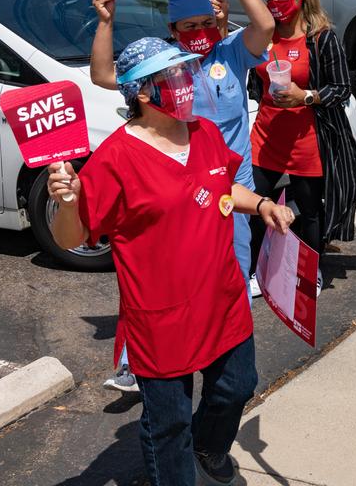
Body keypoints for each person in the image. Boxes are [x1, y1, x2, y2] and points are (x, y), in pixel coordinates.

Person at [48, 37, 296, 486]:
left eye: (186, 72)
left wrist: (261, 205)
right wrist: (68, 203)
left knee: (238, 386)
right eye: (173, 76)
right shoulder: (115, 158)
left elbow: (221, 187)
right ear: (143, 93)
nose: (186, 84)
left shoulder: (205, 132)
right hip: (161, 316)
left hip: (222, 298)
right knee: (169, 424)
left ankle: (210, 444)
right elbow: (73, 236)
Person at [90, 0, 274, 393]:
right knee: (169, 276)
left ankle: (228, 356)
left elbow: (266, 24)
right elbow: (103, 77)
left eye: (205, 23)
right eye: (188, 26)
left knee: (232, 266)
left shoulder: (232, 51)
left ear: (217, 22)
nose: (198, 31)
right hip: (178, 181)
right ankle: (139, 362)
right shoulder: (165, 66)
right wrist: (106, 22)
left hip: (232, 182)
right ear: (172, 29)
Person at [249, 0, 356, 296]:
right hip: (266, 135)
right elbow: (253, 82)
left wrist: (307, 96)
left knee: (311, 211)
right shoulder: (262, 35)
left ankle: (311, 270)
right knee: (255, 205)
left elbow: (342, 88)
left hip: (306, 138)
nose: (273, 2)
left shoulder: (321, 39)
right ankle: (258, 270)